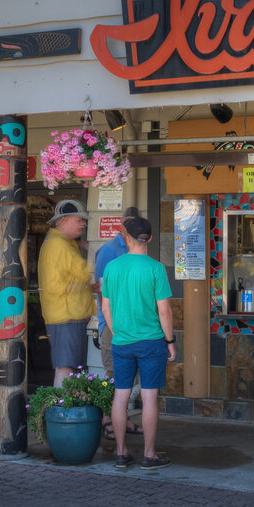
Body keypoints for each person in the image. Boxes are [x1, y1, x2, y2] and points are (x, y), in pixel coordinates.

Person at [101, 217, 176, 470]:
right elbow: (164, 311)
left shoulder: (112, 267)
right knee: (149, 398)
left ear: (126, 237)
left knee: (120, 396)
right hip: (151, 342)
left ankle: (121, 453)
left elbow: (105, 306)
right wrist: (170, 341)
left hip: (121, 342)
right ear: (150, 239)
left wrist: (117, 331)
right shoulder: (156, 269)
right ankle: (149, 455)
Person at [93, 206, 143, 440]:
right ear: (121, 226)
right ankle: (106, 418)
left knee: (128, 375)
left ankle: (122, 419)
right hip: (113, 324)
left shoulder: (135, 248)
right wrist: (110, 324)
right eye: (129, 225)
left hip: (133, 324)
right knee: (113, 373)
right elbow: (102, 291)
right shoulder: (109, 250)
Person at [38, 199, 96, 388]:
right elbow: (86, 272)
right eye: (79, 220)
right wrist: (95, 252)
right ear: (63, 220)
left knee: (69, 367)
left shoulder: (63, 242)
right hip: (66, 316)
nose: (83, 224)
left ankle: (65, 411)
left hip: (67, 315)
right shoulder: (60, 245)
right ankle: (62, 413)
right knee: (65, 367)